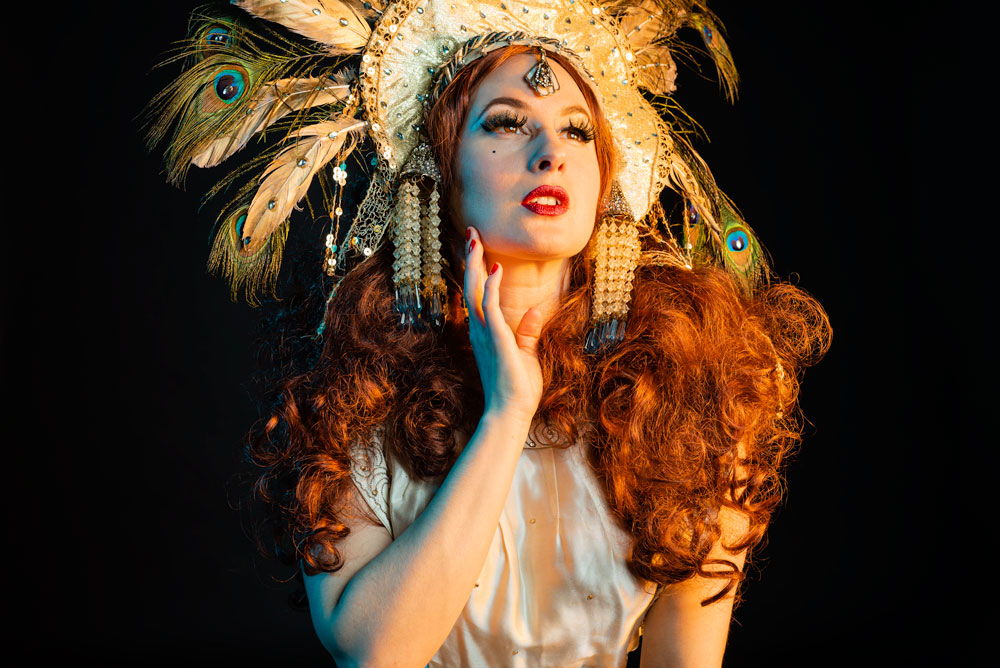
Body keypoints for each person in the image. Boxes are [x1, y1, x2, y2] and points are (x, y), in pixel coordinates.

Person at [147, 2, 830, 666]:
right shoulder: (356, 400)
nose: (550, 154)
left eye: (577, 131)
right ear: (435, 169)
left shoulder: (694, 395)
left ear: (608, 179)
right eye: (507, 122)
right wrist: (507, 414)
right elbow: (375, 652)